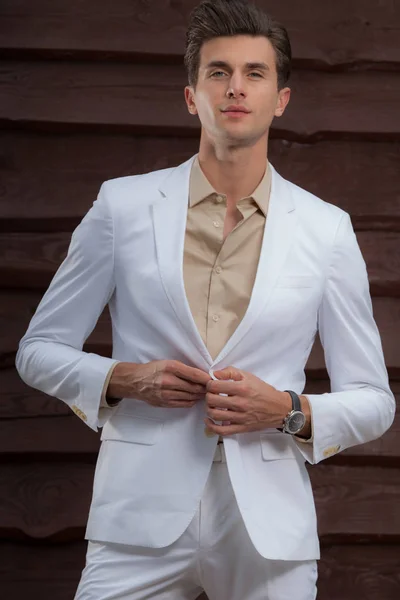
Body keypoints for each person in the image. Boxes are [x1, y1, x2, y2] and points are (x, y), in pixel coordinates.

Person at [16, 1, 395, 599]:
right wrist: (125, 377)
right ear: (192, 96)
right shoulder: (122, 206)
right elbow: (37, 351)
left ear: (281, 99)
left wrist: (288, 410)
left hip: (268, 529)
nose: (235, 88)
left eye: (255, 73)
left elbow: (375, 401)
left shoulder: (327, 229)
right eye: (218, 72)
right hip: (136, 517)